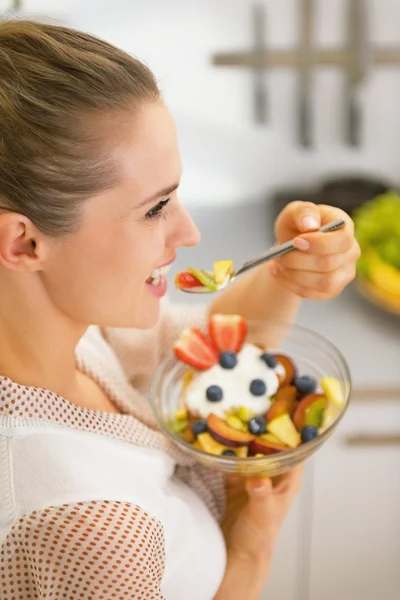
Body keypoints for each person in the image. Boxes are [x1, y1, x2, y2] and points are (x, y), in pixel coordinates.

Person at [0, 20, 360, 600]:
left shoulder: (70, 338)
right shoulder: (90, 531)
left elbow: (202, 354)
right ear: (24, 243)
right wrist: (252, 547)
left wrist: (287, 271)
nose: (188, 232)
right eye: (155, 208)